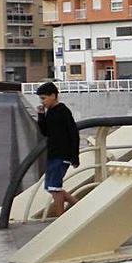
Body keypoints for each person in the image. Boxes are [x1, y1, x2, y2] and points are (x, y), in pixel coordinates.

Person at [35, 83, 80, 217]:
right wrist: (41, 116)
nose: (42, 101)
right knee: (51, 187)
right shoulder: (50, 112)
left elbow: (73, 133)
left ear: (53, 96)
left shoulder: (63, 111)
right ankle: (79, 206)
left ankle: (61, 217)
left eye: (44, 98)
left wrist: (74, 156)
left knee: (55, 188)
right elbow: (45, 132)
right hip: (54, 154)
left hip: (62, 155)